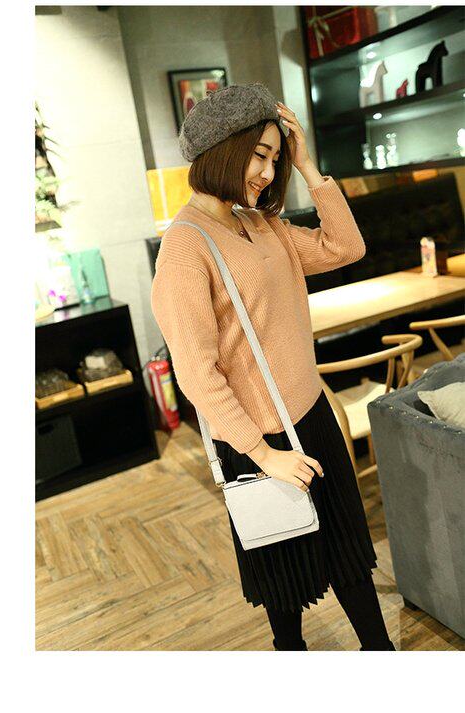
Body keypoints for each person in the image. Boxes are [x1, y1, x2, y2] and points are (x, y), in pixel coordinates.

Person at [150, 82, 396, 651]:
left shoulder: (261, 224)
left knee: (350, 556)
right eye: (258, 156)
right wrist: (262, 455)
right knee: (285, 582)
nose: (266, 172)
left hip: (312, 416)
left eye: (274, 157)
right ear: (223, 150)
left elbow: (345, 249)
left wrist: (308, 168)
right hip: (258, 438)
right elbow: (197, 373)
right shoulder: (185, 247)